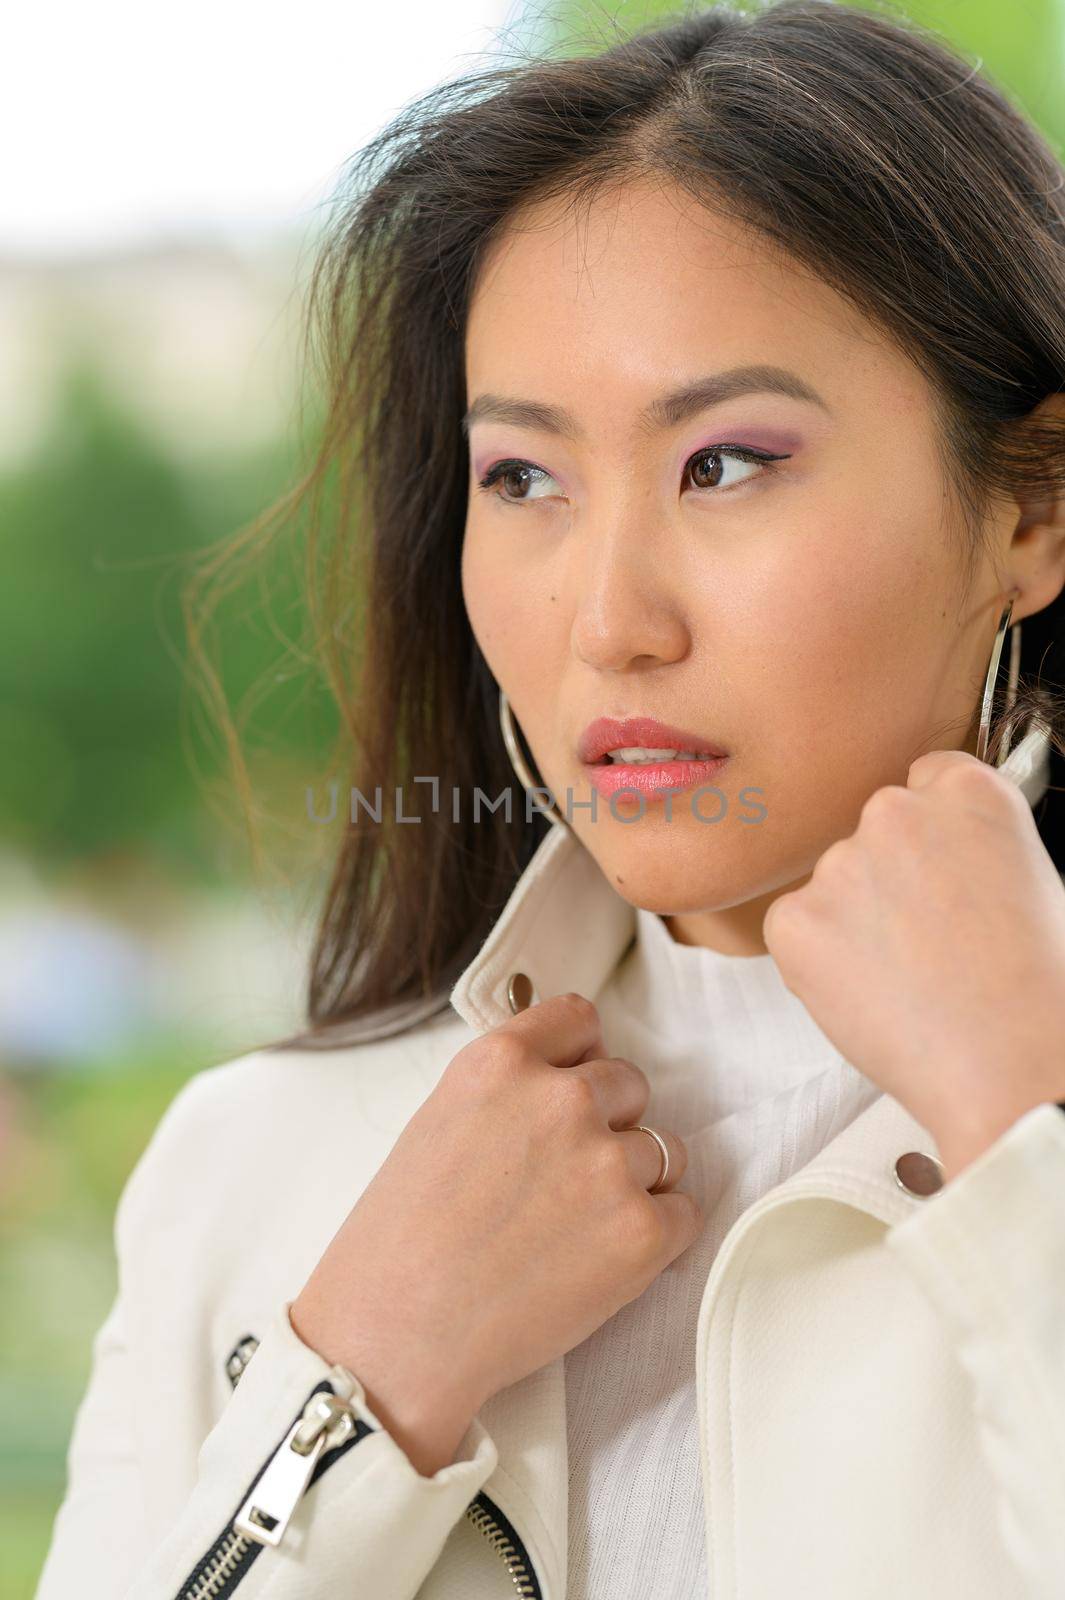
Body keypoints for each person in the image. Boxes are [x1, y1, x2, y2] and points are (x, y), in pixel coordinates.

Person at [34, 3, 1065, 1597]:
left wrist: (1022, 1137)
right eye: (522, 478)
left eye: (723, 463)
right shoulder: (257, 1166)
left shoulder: (1034, 1112)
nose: (606, 622)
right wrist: (360, 1384)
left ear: (1029, 509)